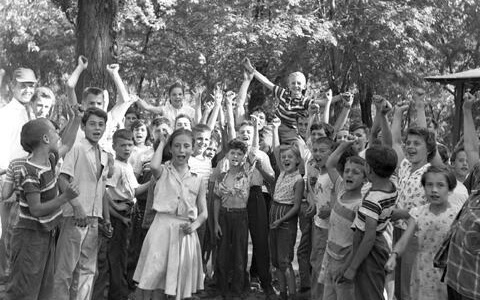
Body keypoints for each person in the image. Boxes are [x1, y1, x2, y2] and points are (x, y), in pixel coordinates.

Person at [5, 118, 80, 299]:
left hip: (45, 233)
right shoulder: (30, 172)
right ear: (46, 139)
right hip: (29, 236)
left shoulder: (50, 161)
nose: (58, 136)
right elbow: (36, 209)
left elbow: (68, 143)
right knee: (25, 287)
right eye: (55, 132)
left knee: (43, 285)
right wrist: (64, 197)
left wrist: (77, 119)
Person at [134, 128, 207, 300]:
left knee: (178, 278)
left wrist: (194, 225)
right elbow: (153, 165)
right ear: (171, 148)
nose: (182, 150)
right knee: (156, 275)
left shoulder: (197, 180)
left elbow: (204, 213)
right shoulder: (163, 172)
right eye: (177, 146)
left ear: (193, 148)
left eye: (186, 146)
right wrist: (161, 143)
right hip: (161, 229)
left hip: (184, 233)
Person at [53, 107, 111, 300]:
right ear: (84, 127)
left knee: (87, 270)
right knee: (66, 269)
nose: (97, 128)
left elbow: (102, 188)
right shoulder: (76, 148)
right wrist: (77, 206)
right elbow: (62, 179)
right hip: (74, 216)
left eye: (101, 125)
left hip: (94, 218)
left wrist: (106, 218)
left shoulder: (104, 154)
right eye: (92, 124)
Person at [385, 165, 459, 300]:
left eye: (440, 185)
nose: (434, 190)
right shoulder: (418, 213)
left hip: (447, 275)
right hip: (421, 271)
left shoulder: (457, 214)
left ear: (450, 188)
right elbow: (404, 240)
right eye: (429, 185)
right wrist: (394, 255)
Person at [93, 129, 151, 300]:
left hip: (128, 212)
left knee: (123, 254)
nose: (127, 148)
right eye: (123, 145)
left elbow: (136, 191)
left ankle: (119, 290)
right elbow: (106, 194)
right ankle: (116, 293)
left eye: (130, 145)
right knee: (114, 257)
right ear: (114, 147)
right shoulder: (115, 167)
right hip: (118, 215)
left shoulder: (127, 166)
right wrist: (119, 217)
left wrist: (153, 180)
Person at [341, 145, 398, 300]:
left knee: (369, 290)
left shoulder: (372, 200)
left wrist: (353, 267)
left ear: (369, 170)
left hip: (370, 249)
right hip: (380, 241)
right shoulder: (392, 186)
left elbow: (369, 237)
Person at [0, 67, 37, 281]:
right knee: (8, 234)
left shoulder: (28, 111)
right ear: (12, 86)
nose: (27, 89)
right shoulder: (6, 114)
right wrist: (8, 182)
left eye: (31, 85)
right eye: (22, 85)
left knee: (20, 233)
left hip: (27, 181)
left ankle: (15, 278)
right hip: (10, 180)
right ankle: (6, 281)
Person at [322, 138, 367, 300]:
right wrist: (343, 146)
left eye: (356, 172)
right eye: (347, 170)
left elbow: (359, 241)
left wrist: (348, 267)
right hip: (330, 256)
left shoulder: (360, 205)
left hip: (345, 261)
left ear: (365, 179)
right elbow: (330, 165)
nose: (349, 174)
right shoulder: (341, 188)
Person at [213, 139, 257, 299]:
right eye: (233, 152)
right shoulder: (222, 176)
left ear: (244, 157)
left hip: (240, 217)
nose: (236, 156)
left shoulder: (246, 172)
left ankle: (238, 290)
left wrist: (254, 127)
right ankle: (222, 289)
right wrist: (216, 222)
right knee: (222, 254)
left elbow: (253, 152)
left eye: (239, 153)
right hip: (224, 215)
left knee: (240, 254)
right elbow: (217, 198)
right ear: (227, 154)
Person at [268, 145, 304, 299]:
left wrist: (281, 220)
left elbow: (296, 207)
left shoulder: (298, 179)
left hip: (285, 220)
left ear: (298, 160)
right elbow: (276, 150)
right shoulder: (282, 173)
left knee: (284, 260)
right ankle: (282, 293)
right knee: (275, 260)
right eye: (284, 157)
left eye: (290, 157)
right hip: (274, 216)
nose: (285, 159)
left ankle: (292, 294)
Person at [305, 136, 335, 300]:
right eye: (315, 150)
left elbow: (342, 198)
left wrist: (330, 209)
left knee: (321, 266)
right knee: (315, 262)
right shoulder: (319, 172)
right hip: (318, 225)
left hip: (329, 229)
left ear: (332, 153)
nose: (317, 154)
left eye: (322, 150)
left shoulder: (333, 175)